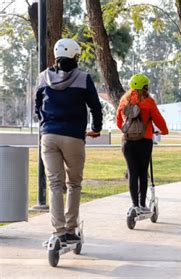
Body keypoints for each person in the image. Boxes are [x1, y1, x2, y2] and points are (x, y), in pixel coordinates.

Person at [35, 38, 102, 243]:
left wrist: (44, 123)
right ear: (75, 55)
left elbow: (37, 105)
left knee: (55, 185)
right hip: (73, 136)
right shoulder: (83, 77)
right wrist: (96, 129)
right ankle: (71, 230)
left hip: (49, 137)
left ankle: (59, 231)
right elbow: (95, 107)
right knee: (73, 184)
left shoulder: (43, 76)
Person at [117, 74, 168, 213]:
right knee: (142, 172)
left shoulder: (124, 101)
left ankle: (134, 205)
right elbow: (159, 120)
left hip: (127, 141)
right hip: (144, 141)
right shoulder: (149, 102)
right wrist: (163, 131)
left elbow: (119, 122)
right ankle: (142, 205)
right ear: (145, 87)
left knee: (132, 173)